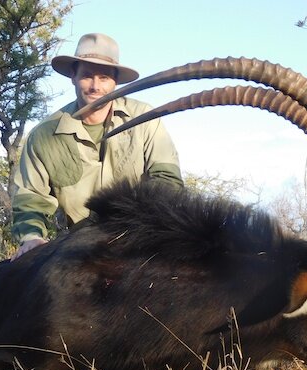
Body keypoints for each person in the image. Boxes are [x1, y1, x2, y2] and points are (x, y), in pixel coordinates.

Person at [11, 33, 183, 260]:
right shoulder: (44, 134)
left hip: (138, 240)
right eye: (87, 76)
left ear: (115, 81)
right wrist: (32, 236)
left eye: (103, 77)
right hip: (79, 248)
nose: (95, 86)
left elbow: (167, 181)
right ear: (73, 76)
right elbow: (30, 196)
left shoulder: (145, 119)